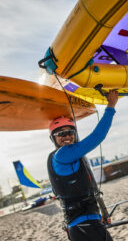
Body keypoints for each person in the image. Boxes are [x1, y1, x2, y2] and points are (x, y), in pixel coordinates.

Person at [47, 90, 118, 241]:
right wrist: (111, 106)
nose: (66, 136)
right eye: (61, 134)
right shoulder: (62, 155)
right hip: (84, 225)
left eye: (70, 132)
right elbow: (97, 136)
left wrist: (99, 216)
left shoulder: (71, 155)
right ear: (53, 138)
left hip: (83, 224)